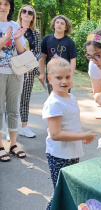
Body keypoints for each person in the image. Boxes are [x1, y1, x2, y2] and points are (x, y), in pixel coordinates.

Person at [42, 56, 97, 209]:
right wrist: (82, 136)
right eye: (58, 77)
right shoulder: (54, 103)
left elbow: (71, 124)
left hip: (73, 152)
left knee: (69, 190)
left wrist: (81, 135)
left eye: (67, 77)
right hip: (59, 155)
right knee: (61, 192)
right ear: (49, 79)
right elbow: (56, 134)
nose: (64, 81)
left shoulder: (71, 97)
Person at [0, 0, 27, 162]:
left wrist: (16, 38)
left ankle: (13, 144)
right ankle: (0, 146)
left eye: (6, 4)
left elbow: (21, 51)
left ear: (10, 7)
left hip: (15, 73)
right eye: (0, 3)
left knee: (13, 109)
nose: (2, 7)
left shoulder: (15, 25)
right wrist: (4, 40)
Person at [16, 4, 41, 138]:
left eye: (30, 12)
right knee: (11, 99)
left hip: (29, 70)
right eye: (24, 11)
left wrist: (29, 61)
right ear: (20, 14)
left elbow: (38, 53)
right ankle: (12, 127)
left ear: (32, 17)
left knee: (25, 99)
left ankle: (24, 127)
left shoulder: (35, 33)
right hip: (14, 70)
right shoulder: (13, 28)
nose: (26, 13)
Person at [39, 15, 77, 94]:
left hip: (65, 76)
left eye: (62, 23)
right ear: (54, 25)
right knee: (53, 99)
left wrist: (71, 76)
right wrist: (42, 73)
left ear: (66, 27)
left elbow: (73, 60)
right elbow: (42, 57)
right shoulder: (46, 39)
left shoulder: (69, 42)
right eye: (57, 22)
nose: (59, 24)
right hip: (52, 74)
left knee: (65, 99)